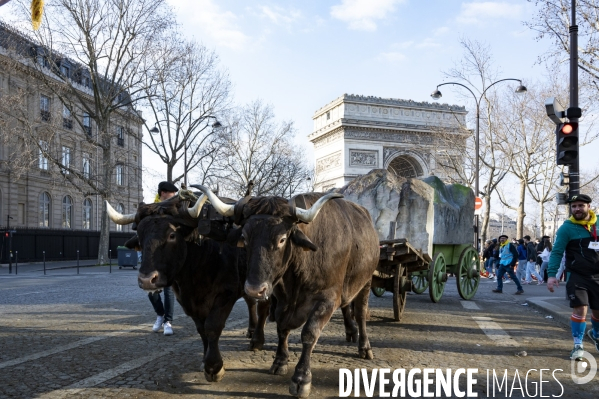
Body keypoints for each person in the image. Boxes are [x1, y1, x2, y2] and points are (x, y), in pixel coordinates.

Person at [547, 194, 599, 361]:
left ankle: (596, 333)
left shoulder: (598, 223)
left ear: (589, 206)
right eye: (574, 206)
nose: (577, 209)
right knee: (580, 308)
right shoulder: (566, 228)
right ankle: (578, 345)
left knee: (597, 313)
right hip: (577, 275)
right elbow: (556, 252)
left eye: (580, 206)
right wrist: (551, 275)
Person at [148, 181, 178, 336]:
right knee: (151, 289)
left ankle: (168, 321)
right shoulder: (152, 209)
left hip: (169, 254)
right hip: (153, 255)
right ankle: (160, 314)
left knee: (168, 290)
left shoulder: (174, 208)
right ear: (163, 194)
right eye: (171, 194)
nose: (173, 196)